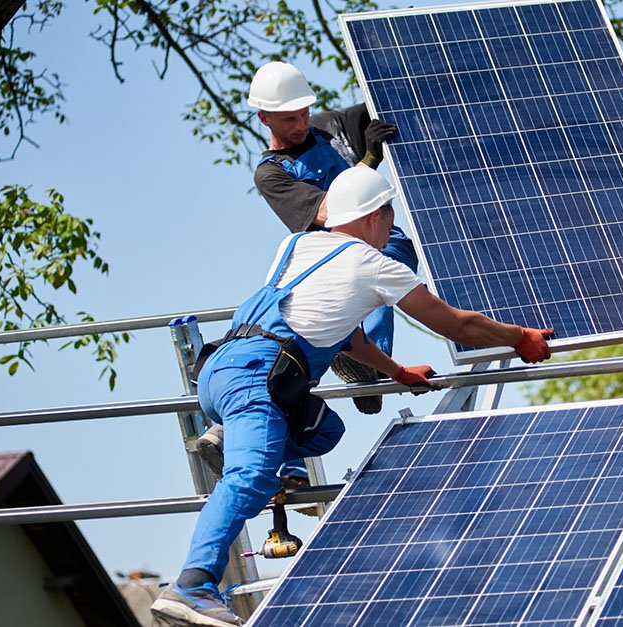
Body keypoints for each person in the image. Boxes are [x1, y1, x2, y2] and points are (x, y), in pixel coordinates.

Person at [151, 168, 553, 627]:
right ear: (374, 217)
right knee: (250, 478)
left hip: (220, 367)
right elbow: (456, 324)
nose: (391, 228)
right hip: (258, 379)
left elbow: (347, 337)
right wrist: (518, 336)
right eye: (389, 217)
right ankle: (193, 584)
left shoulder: (297, 244)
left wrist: (397, 371)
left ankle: (237, 439)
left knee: (325, 429)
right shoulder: (374, 264)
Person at [250, 60, 415, 415]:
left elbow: (390, 101)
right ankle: (362, 366)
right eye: (289, 119)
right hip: (330, 257)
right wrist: (369, 159)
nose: (301, 124)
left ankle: (368, 365)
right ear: (265, 118)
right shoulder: (271, 174)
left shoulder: (331, 129)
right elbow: (334, 211)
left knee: (393, 253)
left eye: (304, 113)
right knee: (312, 330)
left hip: (382, 240)